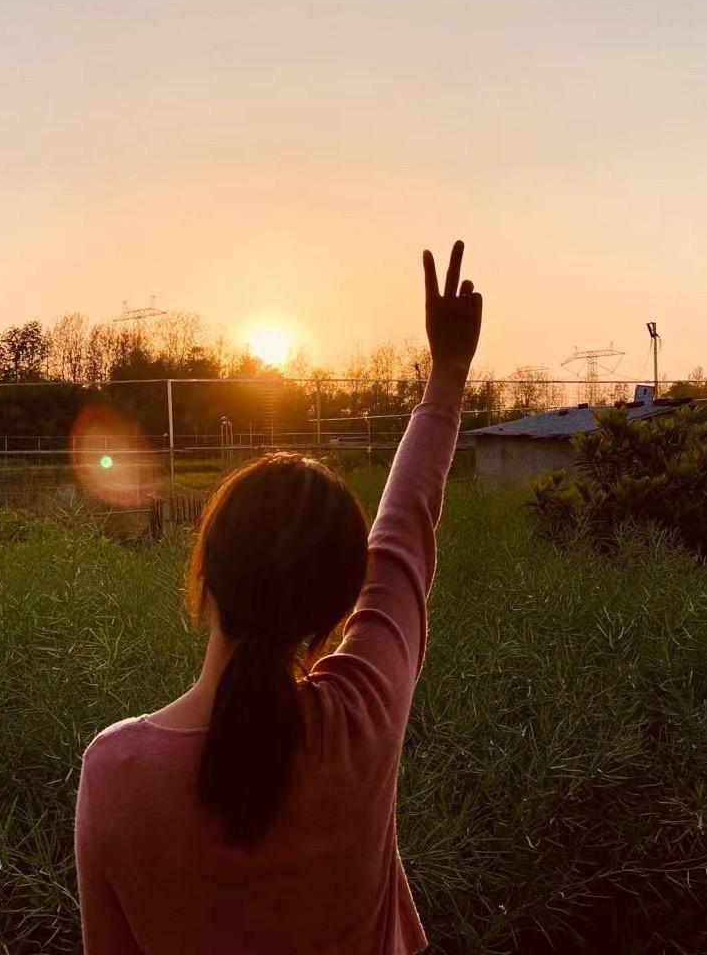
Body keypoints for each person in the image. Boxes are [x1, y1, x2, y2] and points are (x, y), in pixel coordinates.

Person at [76, 242, 483, 954]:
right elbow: (402, 538)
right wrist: (446, 376)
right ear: (335, 616)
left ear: (204, 577)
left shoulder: (116, 772)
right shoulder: (360, 721)